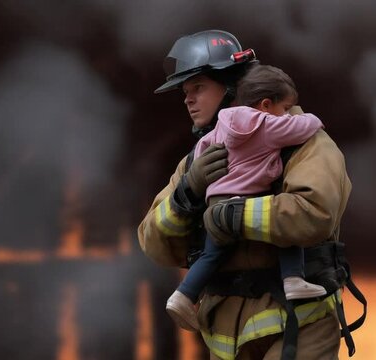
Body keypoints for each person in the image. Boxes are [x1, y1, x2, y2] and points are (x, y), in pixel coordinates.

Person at [138, 29, 352, 359]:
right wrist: (186, 194)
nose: (187, 99)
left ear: (233, 88)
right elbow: (152, 241)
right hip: (225, 341)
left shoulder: (303, 143)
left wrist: (232, 217)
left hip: (299, 327)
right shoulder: (199, 160)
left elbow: (314, 212)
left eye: (198, 87)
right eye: (185, 91)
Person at [165, 64, 328, 332]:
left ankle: (182, 296)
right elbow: (299, 128)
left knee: (211, 255)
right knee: (284, 235)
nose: (188, 99)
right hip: (241, 202)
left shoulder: (221, 125)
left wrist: (196, 184)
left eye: (198, 88)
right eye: (284, 108)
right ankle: (293, 280)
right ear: (265, 104)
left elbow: (204, 148)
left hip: (215, 202)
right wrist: (313, 119)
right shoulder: (267, 125)